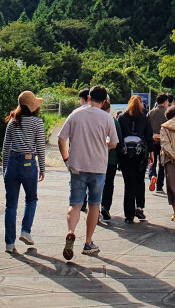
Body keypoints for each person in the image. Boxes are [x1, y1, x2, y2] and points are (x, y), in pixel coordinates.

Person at [56, 85, 119, 259]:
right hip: (98, 167)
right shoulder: (107, 118)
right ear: (105, 100)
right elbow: (114, 143)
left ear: (89, 97)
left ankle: (71, 231)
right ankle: (88, 242)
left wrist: (66, 158)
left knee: (75, 204)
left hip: (77, 166)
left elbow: (61, 138)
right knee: (94, 205)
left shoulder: (75, 114)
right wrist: (103, 144)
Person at [2, 91, 46, 252]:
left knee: (10, 206)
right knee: (31, 199)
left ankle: (9, 243)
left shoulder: (12, 122)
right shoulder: (37, 123)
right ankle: (25, 231)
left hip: (12, 164)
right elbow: (40, 148)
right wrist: (42, 168)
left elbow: (5, 149)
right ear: (33, 106)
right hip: (28, 163)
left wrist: (4, 169)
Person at [117, 95, 154, 223]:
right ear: (141, 105)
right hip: (140, 155)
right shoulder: (144, 119)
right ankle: (139, 208)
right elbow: (149, 137)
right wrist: (151, 153)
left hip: (126, 155)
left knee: (129, 184)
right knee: (140, 181)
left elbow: (119, 137)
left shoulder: (122, 118)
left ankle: (129, 214)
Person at [99, 99, 121, 222]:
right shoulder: (114, 122)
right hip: (111, 159)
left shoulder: (94, 121)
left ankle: (94, 209)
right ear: (108, 109)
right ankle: (105, 207)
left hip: (96, 158)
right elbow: (117, 141)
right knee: (109, 184)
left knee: (96, 184)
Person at [147, 93, 169, 192]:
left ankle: (152, 176)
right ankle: (160, 186)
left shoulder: (151, 112)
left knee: (152, 162)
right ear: (165, 102)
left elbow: (146, 127)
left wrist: (152, 135)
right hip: (164, 143)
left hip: (152, 141)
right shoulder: (168, 113)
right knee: (162, 164)